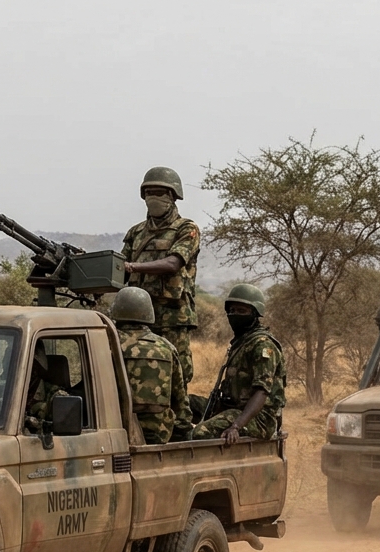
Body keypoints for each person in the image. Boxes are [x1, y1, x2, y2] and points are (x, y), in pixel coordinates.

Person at [120, 166, 201, 389]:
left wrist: (133, 267)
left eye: (160, 192)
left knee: (176, 374)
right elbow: (119, 269)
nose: (153, 197)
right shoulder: (135, 233)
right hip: (136, 318)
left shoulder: (187, 229)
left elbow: (173, 263)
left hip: (172, 317)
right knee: (132, 369)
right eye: (149, 192)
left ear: (173, 196)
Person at [193, 284, 287, 443]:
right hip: (231, 408)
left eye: (242, 311)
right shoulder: (242, 342)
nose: (235, 315)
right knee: (184, 404)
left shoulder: (262, 345)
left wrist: (236, 426)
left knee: (200, 433)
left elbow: (262, 392)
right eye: (232, 310)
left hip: (259, 419)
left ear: (255, 313)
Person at [110, 287, 189, 444]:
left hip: (116, 432)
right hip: (158, 434)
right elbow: (180, 400)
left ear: (117, 311)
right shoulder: (166, 347)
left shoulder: (107, 342)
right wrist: (182, 431)